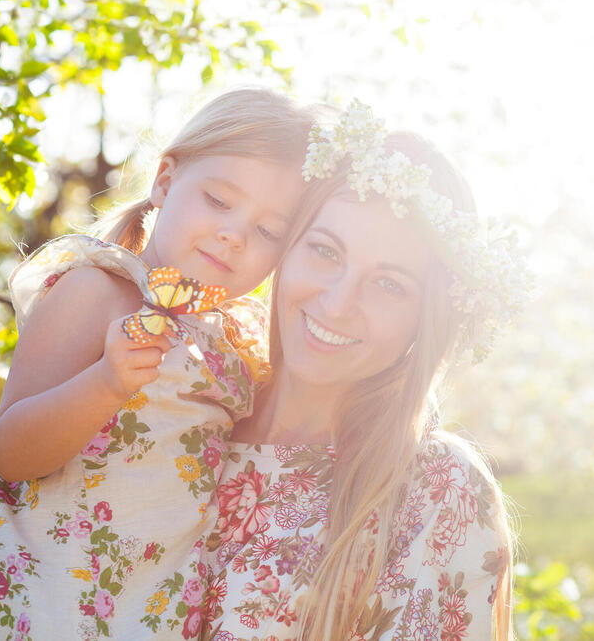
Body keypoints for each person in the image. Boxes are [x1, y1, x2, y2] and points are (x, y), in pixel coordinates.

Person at [0, 88, 316, 640]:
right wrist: (106, 382)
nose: (233, 234)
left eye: (267, 232)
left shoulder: (238, 341)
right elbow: (12, 452)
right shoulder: (98, 289)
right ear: (165, 179)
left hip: (158, 613)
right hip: (53, 603)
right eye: (218, 200)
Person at [199, 101, 529, 640]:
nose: (336, 302)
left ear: (425, 321)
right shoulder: (180, 400)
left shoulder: (434, 491)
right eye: (326, 251)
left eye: (389, 284)